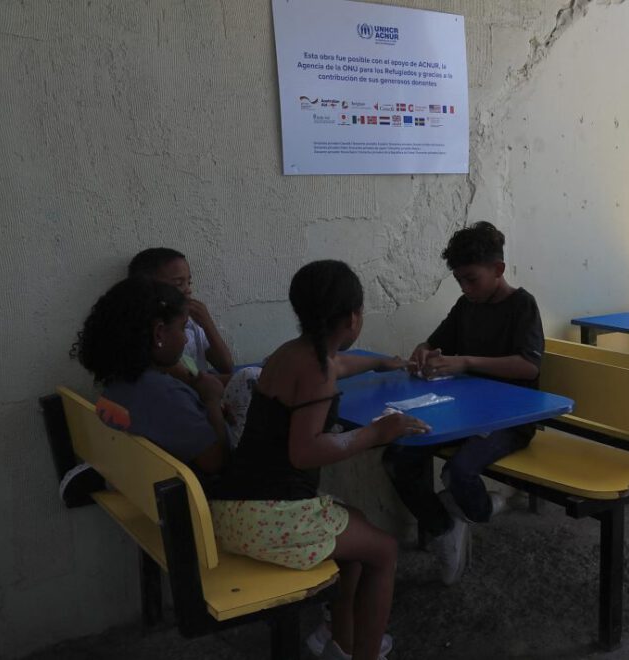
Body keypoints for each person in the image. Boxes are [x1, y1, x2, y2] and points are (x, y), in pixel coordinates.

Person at [210, 260, 428, 660]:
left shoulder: (290, 353)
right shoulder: (318, 369)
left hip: (233, 504)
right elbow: (305, 450)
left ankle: (341, 645)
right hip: (270, 515)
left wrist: (381, 361)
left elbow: (339, 364)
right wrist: (378, 432)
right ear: (352, 318)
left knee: (356, 523)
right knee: (383, 551)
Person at [382, 221, 545, 586]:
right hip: (461, 412)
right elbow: (435, 342)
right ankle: (444, 526)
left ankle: (485, 507)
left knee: (458, 473)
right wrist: (423, 353)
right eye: (459, 281)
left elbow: (528, 365)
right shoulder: (466, 305)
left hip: (512, 419)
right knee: (397, 457)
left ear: (498, 270)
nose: (466, 288)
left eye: (472, 279)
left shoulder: (523, 305)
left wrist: (467, 361)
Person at [71, 277, 229, 476]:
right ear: (159, 334)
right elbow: (217, 463)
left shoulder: (119, 383)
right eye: (182, 328)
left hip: (147, 485)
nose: (186, 337)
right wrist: (211, 401)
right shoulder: (166, 394)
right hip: (202, 495)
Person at [128, 248, 235, 378]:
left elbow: (226, 366)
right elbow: (192, 382)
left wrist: (208, 324)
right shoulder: (152, 331)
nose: (188, 290)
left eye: (188, 282)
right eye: (179, 283)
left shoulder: (191, 323)